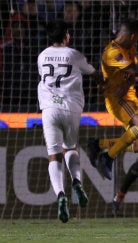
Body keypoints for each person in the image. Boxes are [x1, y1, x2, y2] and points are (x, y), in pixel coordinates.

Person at [37, 20, 101, 223]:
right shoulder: (74, 55)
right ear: (66, 35)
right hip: (70, 107)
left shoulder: (42, 56)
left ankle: (60, 196)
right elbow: (94, 74)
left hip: (49, 109)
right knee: (71, 148)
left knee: (53, 155)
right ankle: (77, 181)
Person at [87, 19, 138, 180]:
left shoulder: (130, 48)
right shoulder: (112, 53)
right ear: (132, 36)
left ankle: (98, 145)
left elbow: (135, 75)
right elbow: (135, 70)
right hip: (117, 99)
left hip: (129, 97)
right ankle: (108, 157)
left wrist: (127, 83)